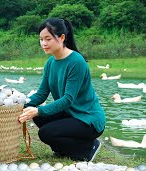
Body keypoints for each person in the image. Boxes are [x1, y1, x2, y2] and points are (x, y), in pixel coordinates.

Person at [19, 18, 105, 161]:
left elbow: (68, 99)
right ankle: (63, 150)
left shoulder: (76, 62)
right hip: (71, 114)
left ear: (62, 37)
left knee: (45, 133)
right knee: (38, 117)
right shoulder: (51, 62)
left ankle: (88, 149)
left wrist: (39, 110)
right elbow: (41, 94)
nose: (43, 43)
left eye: (48, 39)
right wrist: (21, 105)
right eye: (41, 39)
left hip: (88, 119)